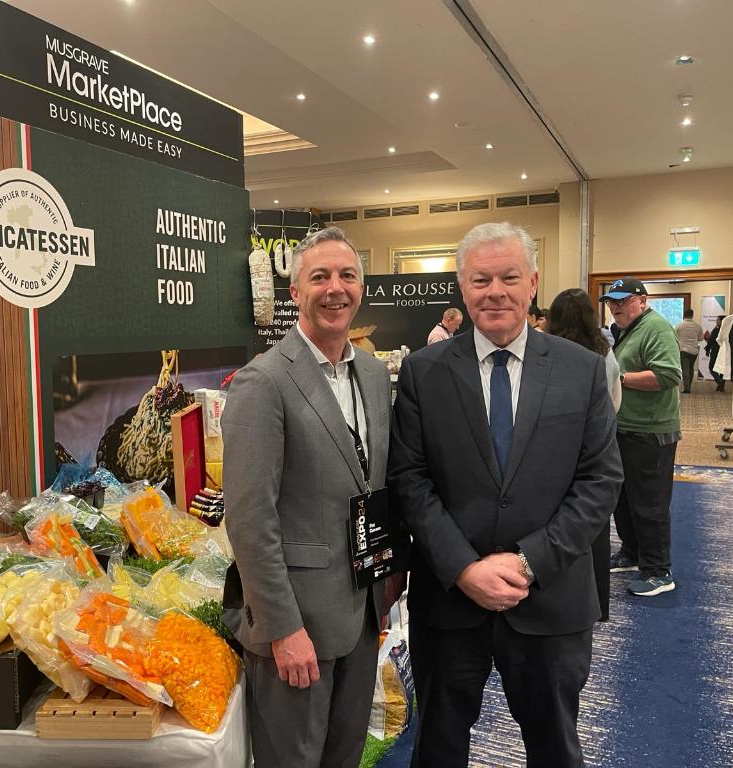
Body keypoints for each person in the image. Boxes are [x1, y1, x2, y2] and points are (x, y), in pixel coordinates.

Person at [388, 222, 623, 768]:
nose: (495, 291)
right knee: (439, 747)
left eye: (509, 277)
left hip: (549, 600)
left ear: (533, 282)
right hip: (450, 604)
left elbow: (600, 482)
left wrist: (527, 561)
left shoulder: (581, 370)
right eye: (481, 280)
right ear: (462, 288)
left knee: (555, 748)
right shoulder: (423, 373)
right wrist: (464, 569)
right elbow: (410, 479)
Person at [221, 226, 392, 768]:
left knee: (344, 757)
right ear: (295, 292)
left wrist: (385, 587)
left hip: (361, 613)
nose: (335, 288)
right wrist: (283, 628)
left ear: (361, 287)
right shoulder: (263, 381)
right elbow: (250, 520)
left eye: (347, 275)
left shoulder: (372, 373)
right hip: (297, 627)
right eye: (320, 277)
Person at [598, 277, 682, 597]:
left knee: (650, 504)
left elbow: (667, 375)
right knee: (623, 499)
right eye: (611, 301)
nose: (616, 306)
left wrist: (618, 379)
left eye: (623, 300)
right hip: (624, 427)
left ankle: (658, 571)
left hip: (651, 431)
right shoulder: (624, 330)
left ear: (643, 301)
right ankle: (631, 553)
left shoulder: (656, 328)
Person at [547, 288, 623, 622]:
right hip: (597, 444)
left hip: (556, 449)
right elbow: (616, 397)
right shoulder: (603, 349)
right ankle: (598, 604)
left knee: (559, 523)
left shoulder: (550, 352)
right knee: (594, 521)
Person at [675, 308, 702, 394]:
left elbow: (674, 336)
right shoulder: (697, 326)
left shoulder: (679, 325)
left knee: (685, 368)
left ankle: (687, 388)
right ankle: (688, 385)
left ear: (684, 315)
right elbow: (701, 338)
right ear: (692, 315)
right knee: (691, 368)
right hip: (694, 350)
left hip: (683, 350)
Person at [704, 315, 725, 391]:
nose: (716, 321)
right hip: (723, 351)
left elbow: (711, 340)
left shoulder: (717, 330)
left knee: (711, 367)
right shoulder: (726, 330)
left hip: (716, 351)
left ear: (722, 321)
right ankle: (721, 386)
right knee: (722, 369)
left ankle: (720, 381)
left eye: (718, 320)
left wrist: (707, 349)